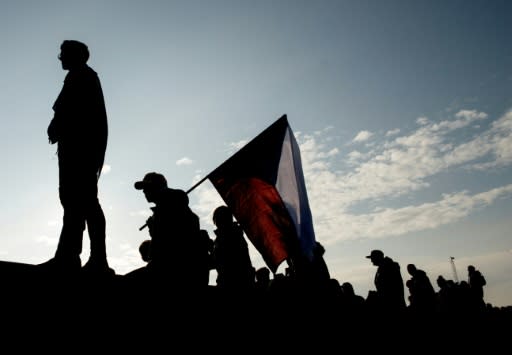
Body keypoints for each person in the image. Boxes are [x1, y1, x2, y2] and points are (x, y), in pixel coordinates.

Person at [42, 40, 112, 275]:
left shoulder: (83, 77)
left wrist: (60, 126)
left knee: (86, 203)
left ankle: (90, 259)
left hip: (81, 152)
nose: (59, 58)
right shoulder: (78, 77)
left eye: (63, 54)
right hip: (75, 150)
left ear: (75, 55)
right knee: (74, 202)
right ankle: (70, 256)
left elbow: (77, 114)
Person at [134, 172, 207, 290]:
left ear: (157, 186)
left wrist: (156, 226)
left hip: (176, 273)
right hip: (166, 269)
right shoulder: (162, 209)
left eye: (146, 187)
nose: (144, 192)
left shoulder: (172, 201)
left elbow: (169, 245)